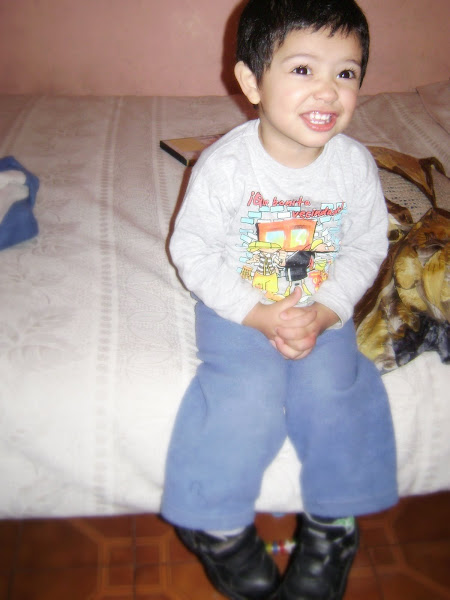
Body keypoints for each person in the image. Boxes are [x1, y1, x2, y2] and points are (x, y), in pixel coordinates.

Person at [161, 0, 398, 598]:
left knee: (339, 390)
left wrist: (329, 309)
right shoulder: (225, 167)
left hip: (319, 305)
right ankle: (215, 524)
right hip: (239, 305)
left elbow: (366, 246)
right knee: (245, 395)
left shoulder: (354, 167)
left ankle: (333, 524)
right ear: (251, 83)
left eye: (346, 72)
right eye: (303, 69)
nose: (328, 90)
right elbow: (193, 250)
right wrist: (257, 313)